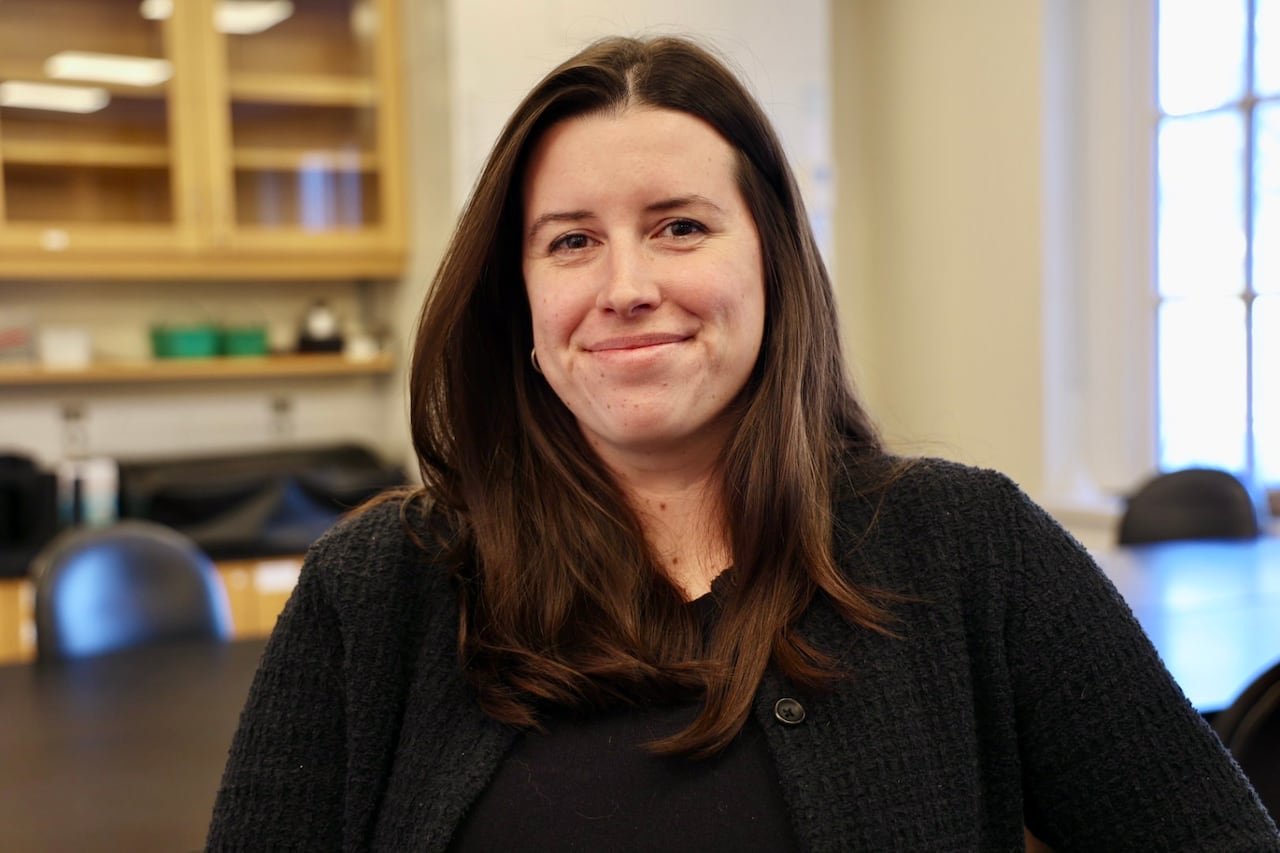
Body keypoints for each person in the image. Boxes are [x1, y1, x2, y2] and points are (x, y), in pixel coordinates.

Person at [207, 36, 1280, 852]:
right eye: (571, 241)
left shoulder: (970, 545)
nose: (626, 287)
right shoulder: (374, 587)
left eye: (679, 226)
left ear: (771, 263)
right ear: (517, 299)